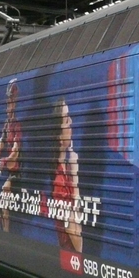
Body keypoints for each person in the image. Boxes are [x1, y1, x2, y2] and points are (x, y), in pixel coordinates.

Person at [0, 79, 22, 231]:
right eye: (7, 102)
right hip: (6, 169)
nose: (8, 106)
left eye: (10, 102)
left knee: (5, 190)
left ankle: (6, 229)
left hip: (16, 173)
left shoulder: (16, 125)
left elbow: (15, 152)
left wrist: (5, 160)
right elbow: (1, 144)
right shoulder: (6, 125)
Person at [52, 100, 82, 253]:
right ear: (58, 136)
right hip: (71, 256)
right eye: (66, 119)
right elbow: (75, 234)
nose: (71, 121)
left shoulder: (67, 166)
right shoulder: (59, 181)